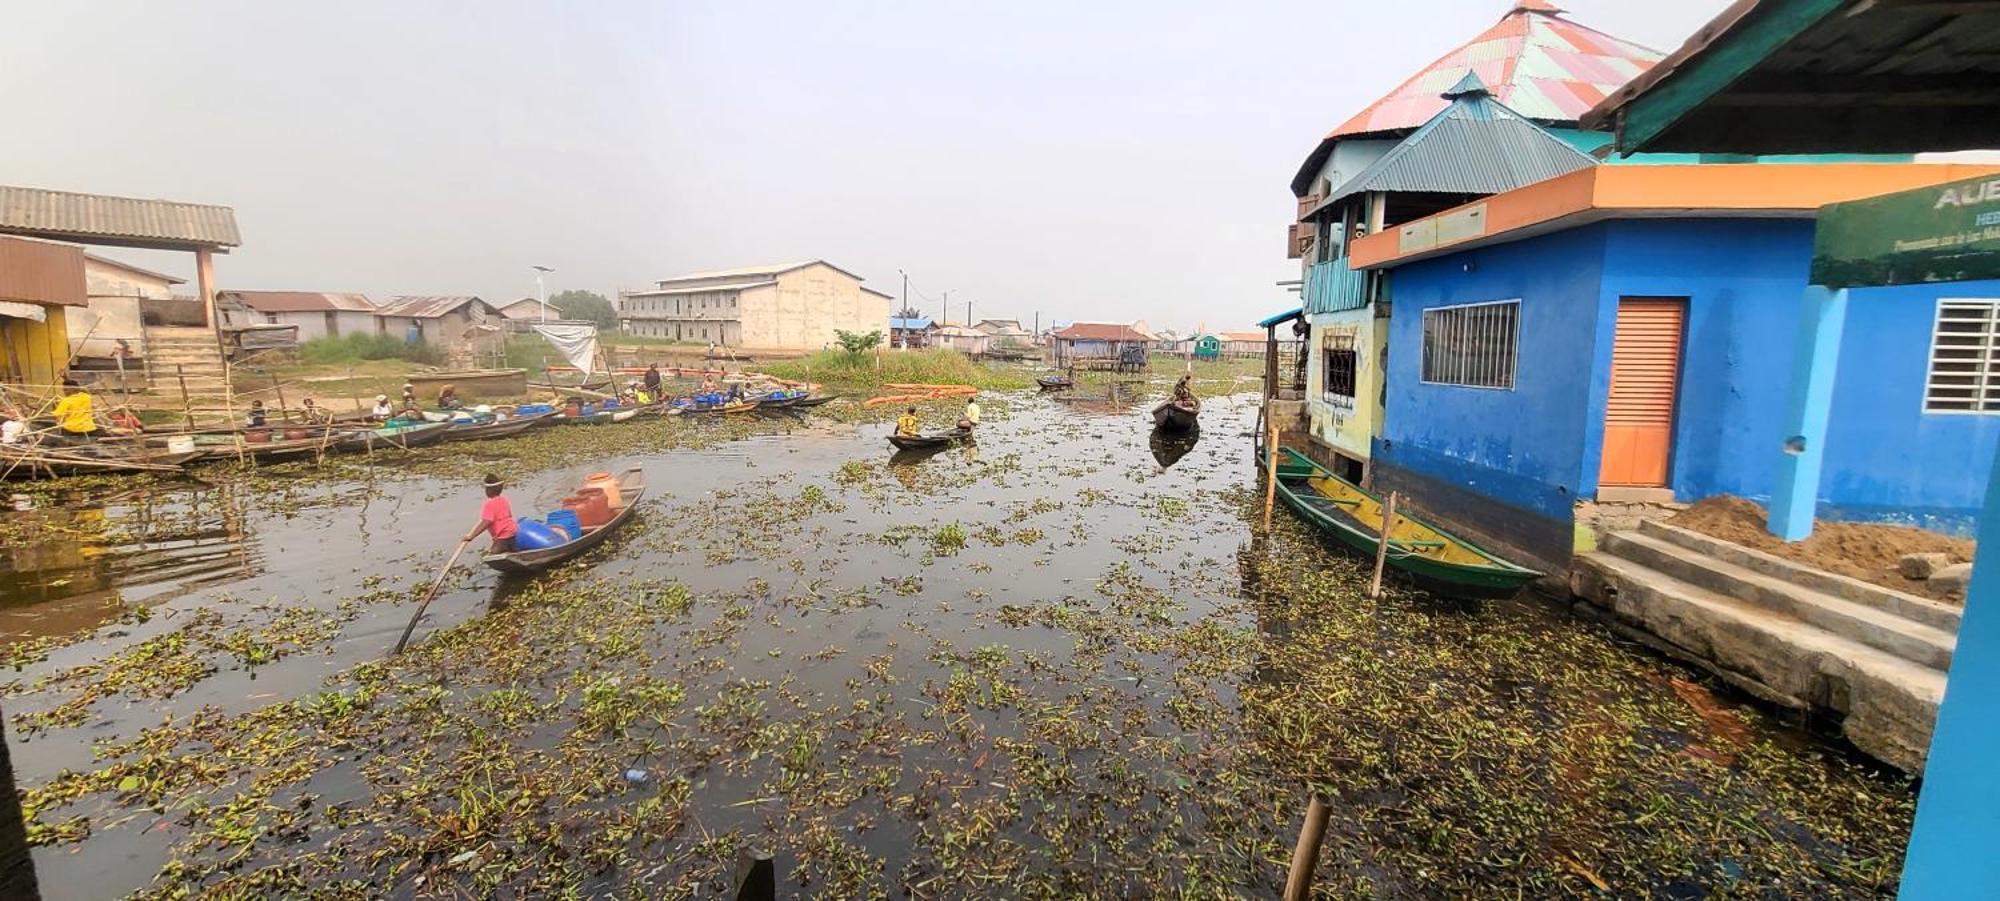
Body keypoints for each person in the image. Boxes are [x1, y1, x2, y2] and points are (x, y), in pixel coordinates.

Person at [466, 473, 518, 552]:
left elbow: (486, 522)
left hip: (502, 534)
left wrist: (471, 536)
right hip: (512, 531)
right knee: (510, 549)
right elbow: (509, 516)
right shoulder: (503, 500)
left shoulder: (489, 504)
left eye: (486, 489)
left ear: (489, 490)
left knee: (494, 552)